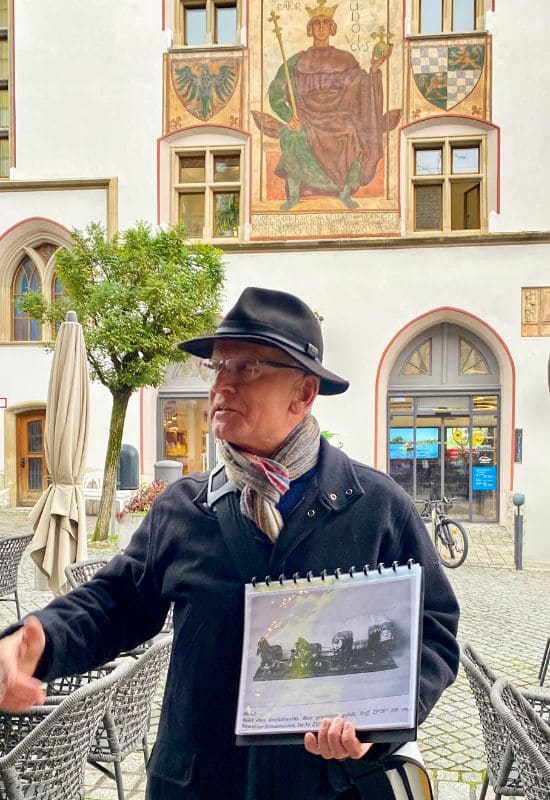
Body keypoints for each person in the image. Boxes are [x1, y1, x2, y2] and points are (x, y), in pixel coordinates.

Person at [0, 287, 459, 800]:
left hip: (326, 786)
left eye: (249, 368)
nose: (222, 387)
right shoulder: (184, 506)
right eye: (218, 368)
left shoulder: (376, 506)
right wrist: (40, 637)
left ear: (304, 394)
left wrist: (377, 723)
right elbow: (117, 601)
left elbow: (434, 631)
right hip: (198, 783)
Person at [267, 0, 399, 209]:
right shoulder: (295, 61)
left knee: (351, 132)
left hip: (338, 117)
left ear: (332, 28)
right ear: (311, 29)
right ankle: (293, 196)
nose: (321, 27)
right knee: (294, 135)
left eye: (325, 23)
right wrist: (289, 117)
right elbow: (275, 91)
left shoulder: (345, 59)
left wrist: (374, 69)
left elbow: (360, 86)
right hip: (306, 118)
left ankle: (344, 193)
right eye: (317, 23)